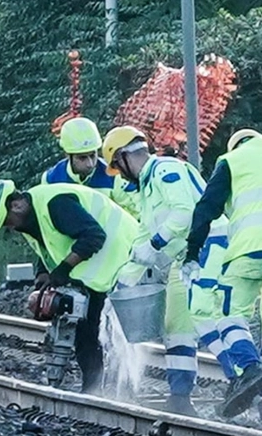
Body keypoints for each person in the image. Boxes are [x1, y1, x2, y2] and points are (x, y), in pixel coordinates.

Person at [101, 125, 236, 417]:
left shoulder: (164, 170)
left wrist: (156, 243)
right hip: (184, 258)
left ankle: (240, 377)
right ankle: (180, 396)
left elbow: (185, 212)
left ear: (125, 157)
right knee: (176, 327)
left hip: (208, 245)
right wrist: (126, 277)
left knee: (203, 317)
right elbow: (143, 238)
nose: (121, 176)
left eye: (118, 168)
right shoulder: (147, 189)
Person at [183, 128, 262, 419]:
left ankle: (250, 369)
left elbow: (207, 208)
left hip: (249, 250)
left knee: (228, 313)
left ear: (236, 145)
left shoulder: (232, 161)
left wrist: (192, 253)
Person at [0, 178, 137, 393]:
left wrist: (63, 269)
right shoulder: (32, 215)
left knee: (99, 332)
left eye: (7, 221)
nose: (10, 227)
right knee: (85, 332)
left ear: (15, 205)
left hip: (123, 258)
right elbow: (50, 244)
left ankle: (106, 390)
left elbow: (94, 236)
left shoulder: (56, 204)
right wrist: (42, 274)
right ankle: (94, 390)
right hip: (99, 270)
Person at [42, 117, 140, 216]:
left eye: (93, 155)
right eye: (82, 158)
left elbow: (137, 214)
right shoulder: (50, 180)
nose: (90, 164)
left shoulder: (116, 177)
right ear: (67, 155)